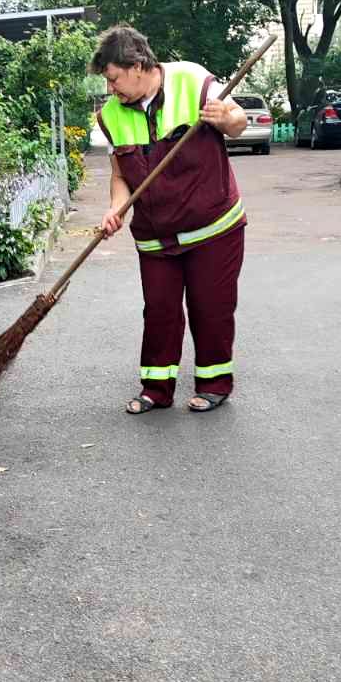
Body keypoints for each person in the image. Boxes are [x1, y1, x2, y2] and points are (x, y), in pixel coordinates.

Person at [89, 25, 248, 415]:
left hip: (213, 228)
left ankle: (214, 384)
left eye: (114, 79)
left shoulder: (192, 80)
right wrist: (115, 208)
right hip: (156, 236)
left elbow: (238, 122)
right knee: (159, 311)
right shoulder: (111, 115)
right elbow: (120, 175)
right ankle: (156, 389)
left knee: (210, 308)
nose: (110, 89)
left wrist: (224, 118)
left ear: (137, 65)